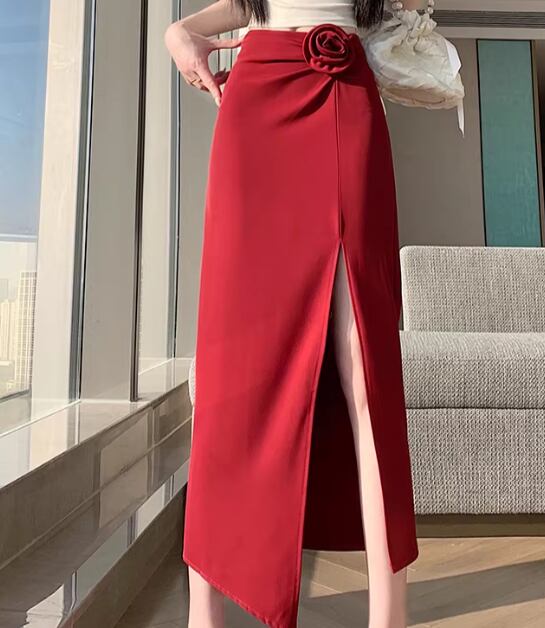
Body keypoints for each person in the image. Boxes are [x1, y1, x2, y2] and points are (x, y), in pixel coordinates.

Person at [165, 1, 429, 625]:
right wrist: (181, 34)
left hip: (347, 97)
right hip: (256, 104)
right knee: (232, 359)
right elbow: (232, 10)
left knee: (363, 361)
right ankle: (205, 614)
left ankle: (389, 616)